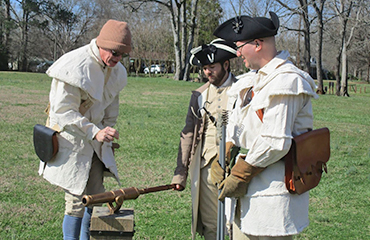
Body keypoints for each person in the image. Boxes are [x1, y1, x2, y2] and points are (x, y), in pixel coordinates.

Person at [211, 12, 319, 240]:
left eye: (240, 46)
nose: (237, 53)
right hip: (247, 194)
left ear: (258, 44)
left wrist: (240, 173)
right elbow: (241, 124)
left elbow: (275, 142)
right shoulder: (250, 81)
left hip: (273, 194)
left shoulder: (287, 80)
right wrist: (227, 150)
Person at [38, 19, 131, 240]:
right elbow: (63, 112)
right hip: (71, 140)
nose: (116, 59)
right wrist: (93, 132)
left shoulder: (116, 69)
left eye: (121, 55)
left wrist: (107, 131)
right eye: (112, 53)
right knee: (75, 202)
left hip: (96, 142)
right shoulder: (73, 65)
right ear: (101, 44)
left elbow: (111, 107)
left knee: (96, 197)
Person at [171, 38, 238, 240]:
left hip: (238, 168)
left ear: (226, 64)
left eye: (212, 67)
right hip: (207, 167)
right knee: (212, 226)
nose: (208, 72)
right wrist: (180, 173)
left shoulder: (243, 90)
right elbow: (188, 134)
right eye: (204, 68)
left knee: (237, 225)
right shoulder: (199, 95)